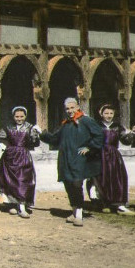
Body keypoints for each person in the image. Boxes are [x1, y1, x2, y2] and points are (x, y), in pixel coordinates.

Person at [39, 97, 104, 227]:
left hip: (79, 159)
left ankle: (79, 214)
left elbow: (99, 135)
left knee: (76, 183)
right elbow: (55, 139)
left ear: (78, 107)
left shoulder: (86, 121)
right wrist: (42, 134)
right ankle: (74, 212)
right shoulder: (65, 124)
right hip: (65, 159)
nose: (70, 111)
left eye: (72, 108)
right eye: (67, 109)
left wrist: (89, 147)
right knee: (68, 184)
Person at [0, 106, 39, 219]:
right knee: (9, 181)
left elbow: (35, 143)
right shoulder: (8, 127)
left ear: (25, 116)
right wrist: (6, 146)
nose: (19, 119)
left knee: (23, 181)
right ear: (13, 117)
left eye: (21, 116)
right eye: (17, 116)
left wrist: (36, 135)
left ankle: (22, 208)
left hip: (23, 156)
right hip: (10, 156)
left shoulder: (30, 128)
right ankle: (13, 204)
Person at [88, 104, 132, 214]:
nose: (109, 115)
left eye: (111, 113)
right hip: (100, 154)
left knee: (117, 177)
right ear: (101, 114)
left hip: (113, 155)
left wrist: (129, 135)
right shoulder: (96, 125)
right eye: (106, 113)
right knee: (102, 178)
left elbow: (125, 141)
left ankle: (118, 203)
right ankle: (104, 203)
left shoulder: (117, 126)